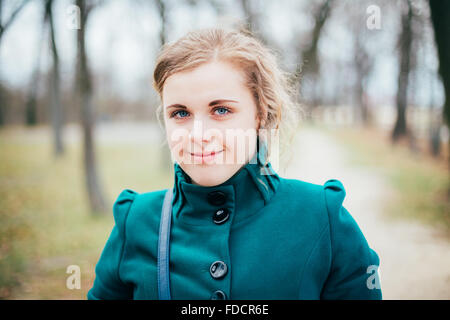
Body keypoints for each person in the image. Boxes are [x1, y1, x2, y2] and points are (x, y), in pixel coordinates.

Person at [87, 27, 382, 300]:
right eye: (180, 113)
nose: (198, 136)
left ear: (260, 114)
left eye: (221, 110)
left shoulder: (322, 218)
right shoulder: (135, 221)